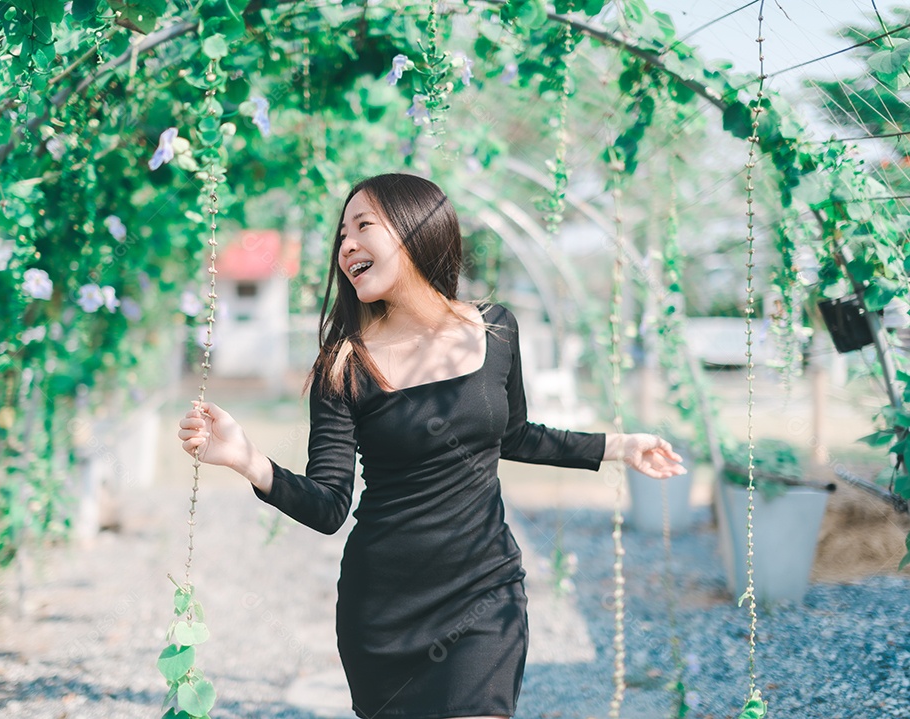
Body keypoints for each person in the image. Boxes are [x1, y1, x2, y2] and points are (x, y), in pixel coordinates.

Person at [177, 172, 686, 719]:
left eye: (363, 226)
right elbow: (329, 505)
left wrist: (618, 446)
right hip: (384, 612)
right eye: (341, 235)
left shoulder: (495, 331)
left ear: (418, 229)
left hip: (484, 593)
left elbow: (513, 435)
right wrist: (246, 460)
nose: (346, 245)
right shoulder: (344, 364)